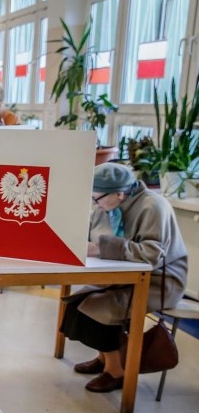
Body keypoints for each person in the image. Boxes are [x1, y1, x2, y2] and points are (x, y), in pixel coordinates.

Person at [60, 163, 188, 393]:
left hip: (159, 281)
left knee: (100, 309)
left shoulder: (153, 206)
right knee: (75, 304)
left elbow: (151, 254)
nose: (95, 204)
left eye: (97, 198)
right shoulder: (106, 205)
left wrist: (100, 248)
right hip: (124, 276)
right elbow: (89, 235)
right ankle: (104, 359)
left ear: (119, 193)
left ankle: (116, 372)